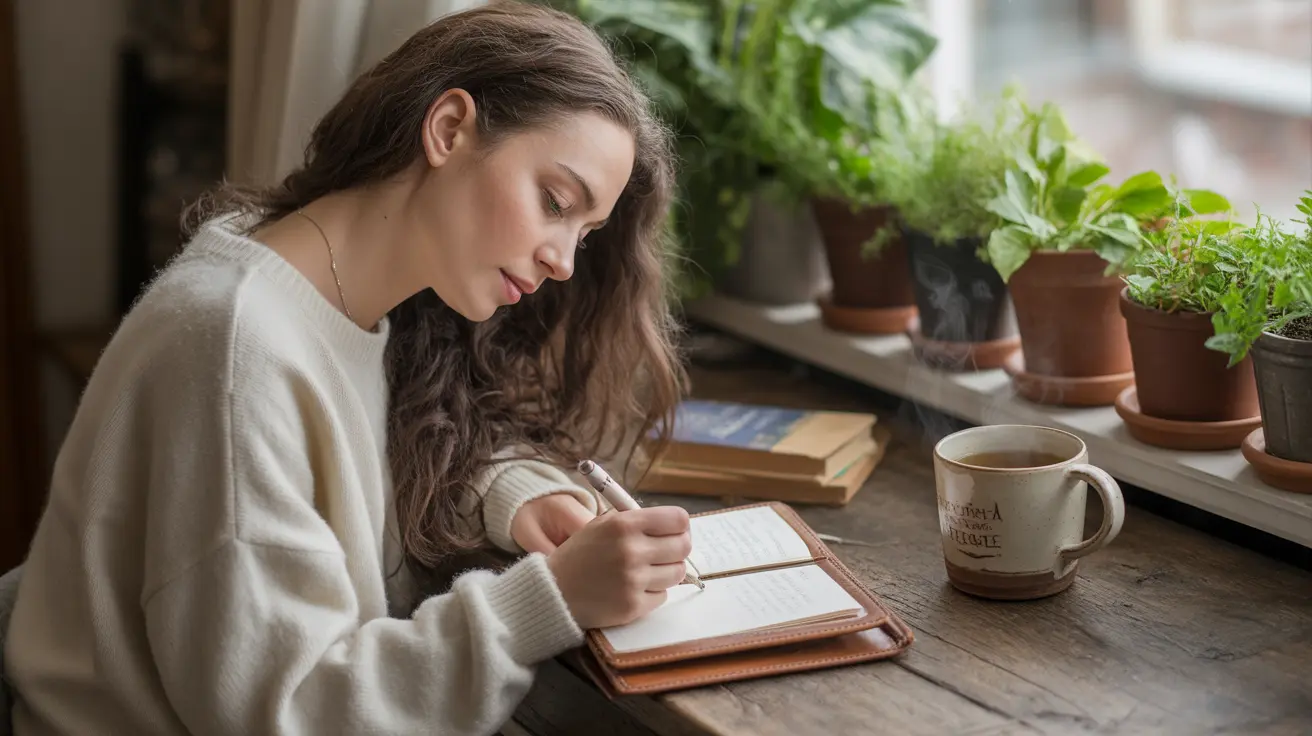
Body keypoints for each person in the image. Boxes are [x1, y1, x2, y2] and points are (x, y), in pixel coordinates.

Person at [3, 2, 694, 734]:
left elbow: (358, 457)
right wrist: (548, 598)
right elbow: (289, 711)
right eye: (555, 202)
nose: (560, 260)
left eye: (583, 236)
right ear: (449, 129)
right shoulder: (239, 347)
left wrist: (507, 493)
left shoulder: (333, 289)